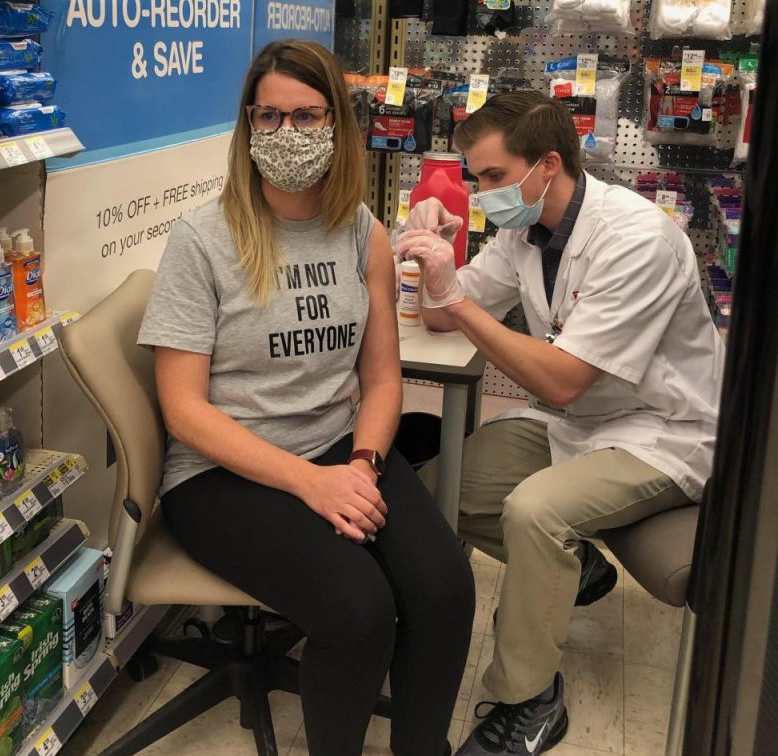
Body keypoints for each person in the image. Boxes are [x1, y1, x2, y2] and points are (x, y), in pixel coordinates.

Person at [137, 40, 475, 756]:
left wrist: (362, 463)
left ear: (338, 126)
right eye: (269, 118)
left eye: (307, 117)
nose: (286, 135)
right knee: (358, 612)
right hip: (220, 477)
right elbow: (184, 411)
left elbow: (383, 380)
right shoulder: (202, 241)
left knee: (445, 586)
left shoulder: (362, 232)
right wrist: (312, 484)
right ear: (248, 126)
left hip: (338, 450)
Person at [397, 91, 724, 755]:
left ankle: (529, 700)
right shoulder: (527, 231)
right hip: (582, 429)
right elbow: (439, 316)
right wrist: (434, 252)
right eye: (473, 180)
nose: (482, 193)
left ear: (547, 164)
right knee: (435, 492)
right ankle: (576, 572)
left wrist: (457, 299)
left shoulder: (636, 239)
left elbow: (563, 383)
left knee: (535, 512)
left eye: (491, 177)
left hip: (665, 434)